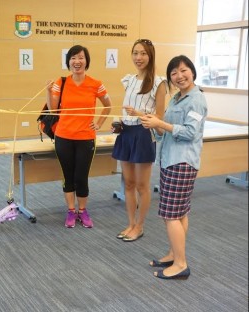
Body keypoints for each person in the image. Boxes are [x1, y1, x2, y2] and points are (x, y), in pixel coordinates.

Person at [140, 55, 208, 280]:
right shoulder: (178, 98)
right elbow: (166, 131)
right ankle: (174, 253)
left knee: (171, 215)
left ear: (192, 71)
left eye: (183, 70)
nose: (179, 76)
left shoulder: (195, 99)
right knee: (179, 213)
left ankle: (180, 264)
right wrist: (153, 123)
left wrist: (160, 123)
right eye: (174, 73)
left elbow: (190, 132)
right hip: (170, 159)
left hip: (182, 162)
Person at [47, 45, 111, 228]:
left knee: (81, 177)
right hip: (63, 136)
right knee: (68, 176)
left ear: (86, 61)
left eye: (81, 58)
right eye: (73, 58)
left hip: (85, 137)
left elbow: (108, 105)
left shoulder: (96, 84)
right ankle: (70, 211)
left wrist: (98, 124)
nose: (77, 61)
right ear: (68, 62)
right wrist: (47, 91)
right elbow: (53, 110)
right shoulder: (62, 82)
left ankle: (82, 211)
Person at [111, 39, 166, 242]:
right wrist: (119, 123)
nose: (138, 57)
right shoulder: (128, 80)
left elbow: (159, 117)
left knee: (142, 185)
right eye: (135, 53)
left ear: (150, 56)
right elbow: (126, 109)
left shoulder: (159, 82)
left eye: (143, 53)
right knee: (128, 183)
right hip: (126, 133)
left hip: (143, 134)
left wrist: (139, 113)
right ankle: (131, 224)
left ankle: (140, 226)